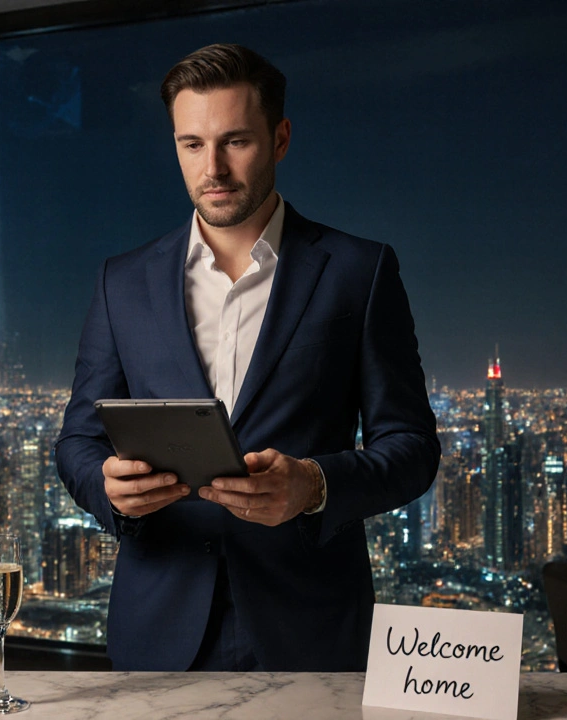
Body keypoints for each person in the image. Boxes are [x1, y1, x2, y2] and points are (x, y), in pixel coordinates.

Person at [54, 43, 440, 672]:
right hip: (158, 623)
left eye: (235, 141)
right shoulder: (120, 281)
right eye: (191, 144)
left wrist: (314, 485)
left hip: (312, 622)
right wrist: (105, 485)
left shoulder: (358, 272)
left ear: (280, 138)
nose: (214, 168)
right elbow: (77, 441)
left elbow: (413, 446)